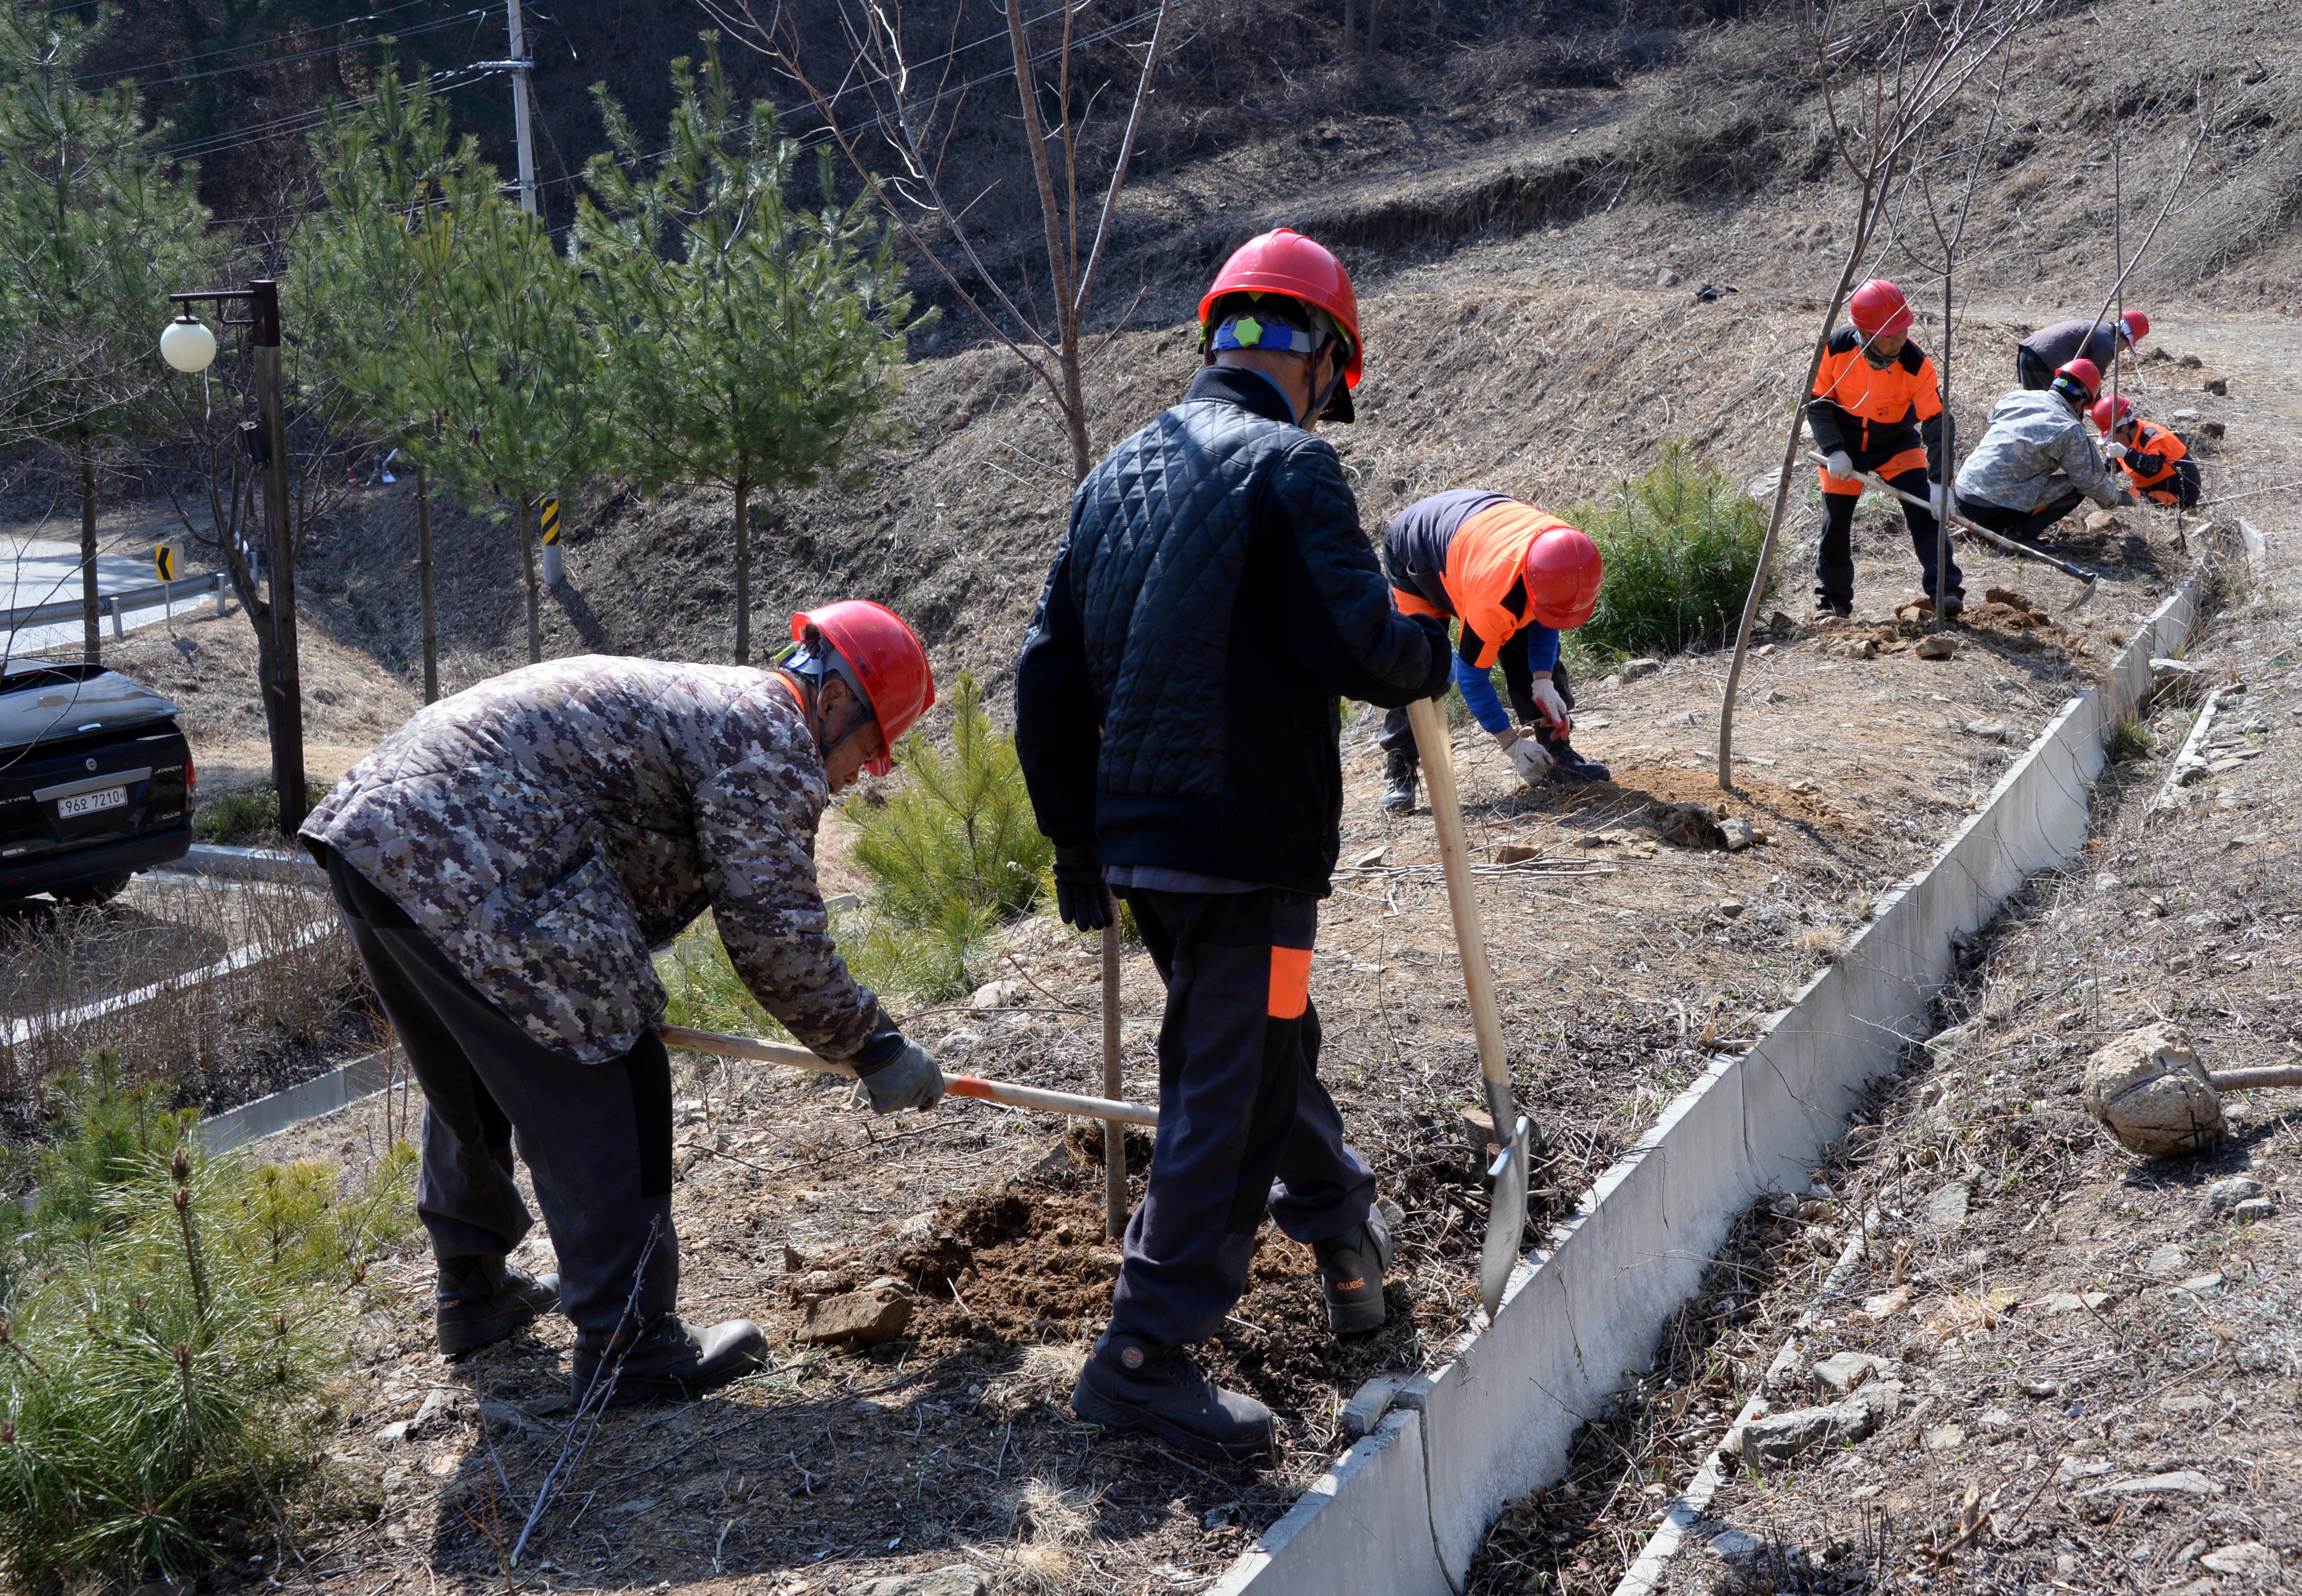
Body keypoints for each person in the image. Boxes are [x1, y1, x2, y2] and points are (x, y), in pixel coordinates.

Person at [1014, 228, 1451, 1461]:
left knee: (1265, 1046)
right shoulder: (1293, 470)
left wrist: (1076, 844)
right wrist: (1435, 646)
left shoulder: (1116, 476)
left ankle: (1343, 1232)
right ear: (1321, 354)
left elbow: (1045, 676)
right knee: (1227, 1083)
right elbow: (1362, 648)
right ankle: (1144, 1352)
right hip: (1250, 850)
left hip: (1148, 857)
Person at [298, 603, 944, 1407]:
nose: (853, 778)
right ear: (840, 703)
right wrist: (875, 1047)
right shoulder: (773, 735)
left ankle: (473, 1292)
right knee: (614, 1065)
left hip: (375, 834)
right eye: (871, 754)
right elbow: (776, 940)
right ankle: (630, 1344)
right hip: (477, 847)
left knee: (475, 1068)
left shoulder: (719, 704)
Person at [1376, 489, 1608, 814]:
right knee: (1417, 661)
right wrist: (1510, 744)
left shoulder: (1564, 552)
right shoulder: (1494, 600)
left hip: (1479, 541)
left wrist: (1543, 679)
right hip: (1418, 551)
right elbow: (1473, 679)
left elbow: (1547, 615)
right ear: (1531, 581)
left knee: (1525, 637)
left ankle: (1557, 754)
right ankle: (1400, 763)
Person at [1804, 278, 1961, 620]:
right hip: (1844, 447)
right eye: (1887, 335)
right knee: (1836, 523)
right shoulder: (1834, 350)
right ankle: (1833, 602)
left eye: (1902, 331)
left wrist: (1939, 483)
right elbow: (1817, 402)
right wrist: (1833, 449)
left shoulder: (1917, 364)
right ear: (1865, 332)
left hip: (1895, 442)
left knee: (1925, 513)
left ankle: (1945, 591)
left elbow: (1937, 422)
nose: (1897, 341)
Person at [1952, 359, 2136, 542]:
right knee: (2078, 485)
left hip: (1962, 493)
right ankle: (2019, 538)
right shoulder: (2069, 428)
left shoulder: (2015, 398)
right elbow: (2090, 482)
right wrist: (2115, 498)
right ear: (2081, 403)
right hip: (1993, 510)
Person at [2092, 395, 2203, 509]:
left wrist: (2126, 454)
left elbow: (2153, 467)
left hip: (2178, 493)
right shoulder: (2124, 443)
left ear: (2125, 429)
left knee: (2143, 509)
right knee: (2120, 503)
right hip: (2149, 489)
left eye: (2112, 436)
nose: (2111, 441)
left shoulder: (2155, 437)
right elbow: (2110, 468)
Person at [2015, 309, 2149, 392]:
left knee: (2033, 408)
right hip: (2044, 361)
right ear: (2124, 338)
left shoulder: (2099, 328)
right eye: (2127, 346)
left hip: (2028, 351)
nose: (2123, 350)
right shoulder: (2107, 345)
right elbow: (2091, 383)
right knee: (2058, 410)